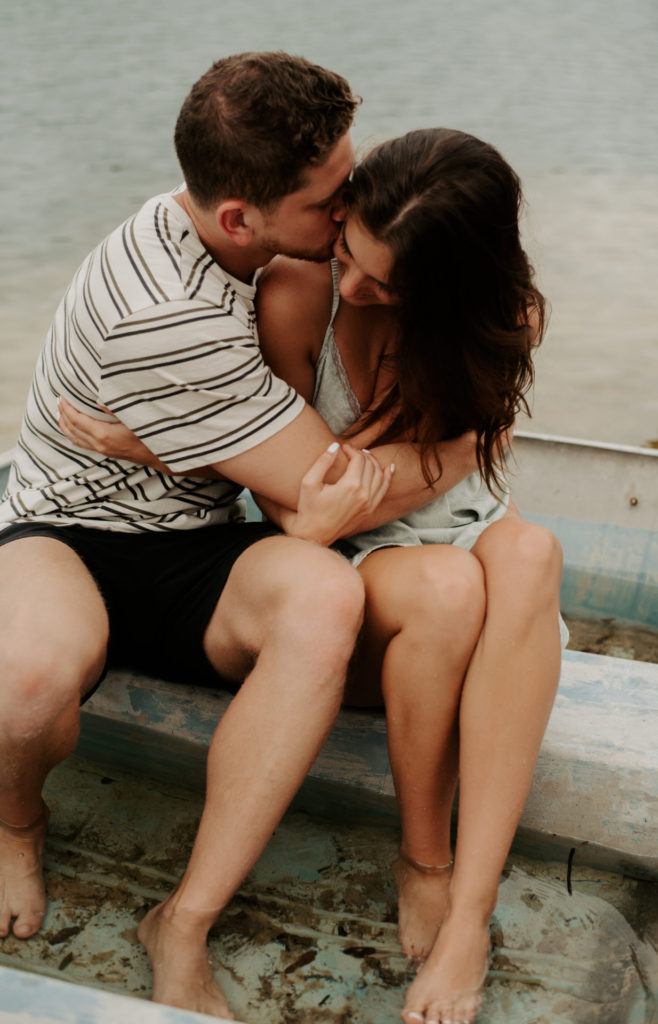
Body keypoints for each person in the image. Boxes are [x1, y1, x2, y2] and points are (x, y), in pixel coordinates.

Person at [0, 56, 482, 1021]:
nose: (352, 210)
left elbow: (314, 507)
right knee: (27, 683)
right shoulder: (165, 315)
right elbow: (327, 494)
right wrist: (470, 447)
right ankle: (14, 824)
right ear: (238, 216)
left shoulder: (237, 231)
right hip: (71, 530)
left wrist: (277, 495)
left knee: (323, 595)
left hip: (198, 540)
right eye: (329, 199)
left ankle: (181, 922)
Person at [59, 128, 565, 1024]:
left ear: (451, 287)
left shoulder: (505, 316)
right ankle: (425, 860)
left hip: (468, 522)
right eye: (349, 250)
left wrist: (421, 464)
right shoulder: (299, 293)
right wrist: (179, 443)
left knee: (532, 555)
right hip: (365, 560)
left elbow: (411, 470)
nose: (355, 283)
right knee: (450, 590)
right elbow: (297, 497)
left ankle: (469, 914)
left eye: (385, 282)